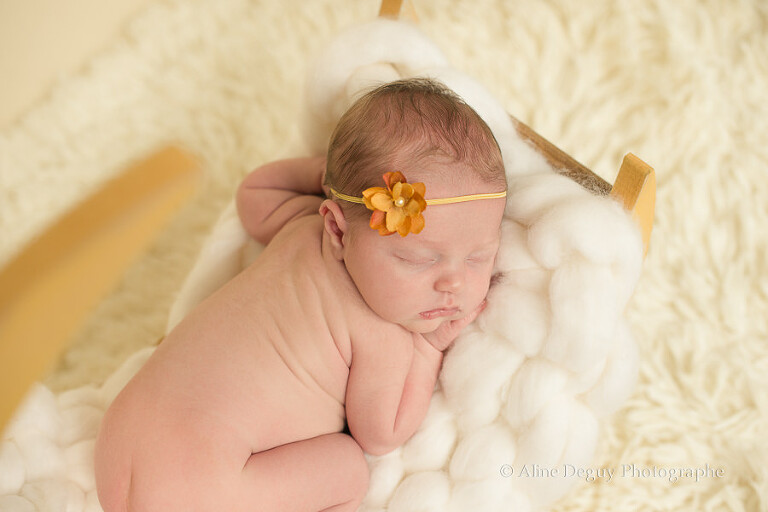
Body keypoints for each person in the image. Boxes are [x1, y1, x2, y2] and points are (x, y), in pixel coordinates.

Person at [94, 78, 508, 512]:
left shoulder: (299, 227)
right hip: (204, 490)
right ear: (336, 228)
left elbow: (254, 193)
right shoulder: (381, 333)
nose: (453, 283)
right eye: (417, 259)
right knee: (350, 467)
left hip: (120, 441)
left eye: (479, 258)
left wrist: (325, 178)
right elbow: (382, 434)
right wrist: (428, 346)